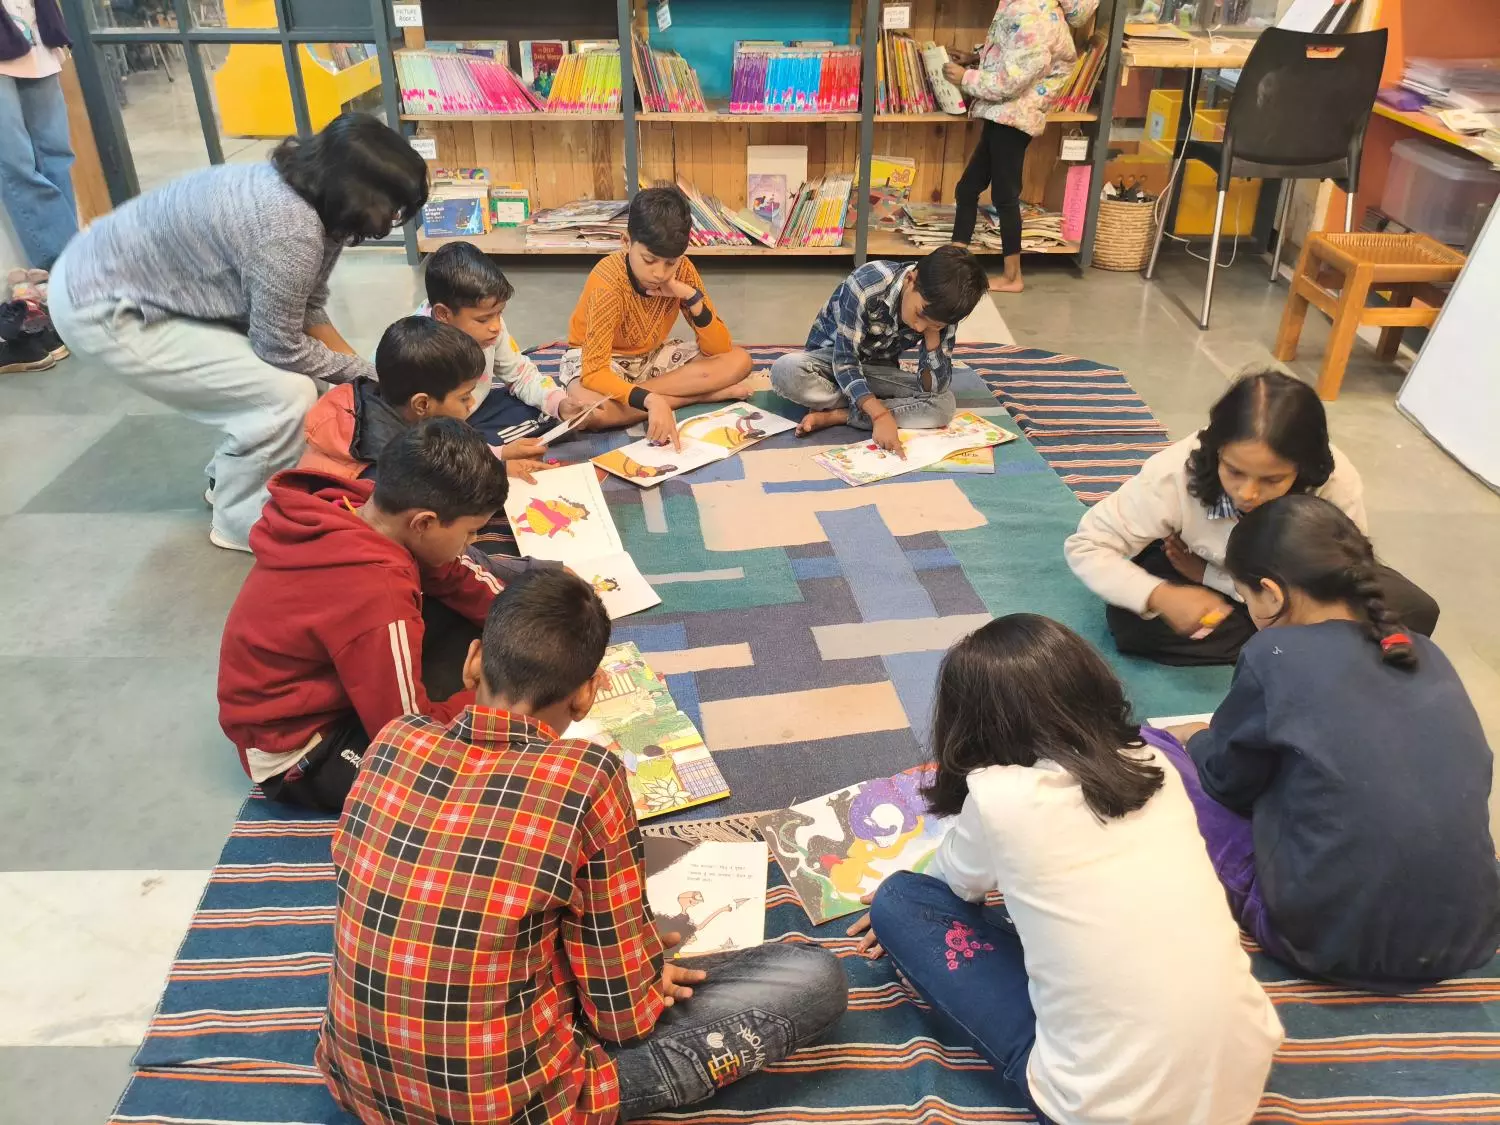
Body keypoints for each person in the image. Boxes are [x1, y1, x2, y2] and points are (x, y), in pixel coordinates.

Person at [317, 569, 848, 1124]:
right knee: (811, 977)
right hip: (511, 1109)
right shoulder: (588, 777)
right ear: (588, 694)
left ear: (474, 660)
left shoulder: (393, 741)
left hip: (356, 1083)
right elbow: (624, 1019)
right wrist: (642, 972)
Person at [848, 614, 1283, 1125]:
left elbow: (947, 889)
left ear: (970, 727)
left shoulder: (997, 796)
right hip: (1239, 1074)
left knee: (900, 900)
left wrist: (902, 910)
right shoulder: (1154, 763)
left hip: (1099, 1108)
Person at [1152, 495, 1500, 992]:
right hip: (1466, 936)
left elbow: (1227, 783)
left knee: (1158, 749)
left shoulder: (1273, 652)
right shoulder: (1423, 651)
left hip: (1324, 937)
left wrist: (1199, 739)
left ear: (1270, 594)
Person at [48, 112, 428, 552]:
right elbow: (279, 346)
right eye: (391, 206)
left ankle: (228, 477)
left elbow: (307, 306)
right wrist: (369, 376)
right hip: (103, 307)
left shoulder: (312, 194)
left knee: (300, 382)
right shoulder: (289, 230)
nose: (391, 218)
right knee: (283, 396)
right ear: (361, 193)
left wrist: (364, 374)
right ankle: (241, 519)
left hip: (125, 281)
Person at [218, 418, 507, 813]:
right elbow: (408, 738)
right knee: (448, 778)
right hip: (299, 751)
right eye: (471, 532)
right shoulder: (377, 593)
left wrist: (521, 618)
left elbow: (451, 573)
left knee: (485, 624)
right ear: (423, 523)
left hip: (328, 678)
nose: (472, 544)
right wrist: (490, 702)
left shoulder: (359, 505)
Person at [1064, 369, 1439, 665]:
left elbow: (1337, 583)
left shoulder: (1336, 482)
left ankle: (1273, 638)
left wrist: (1213, 577)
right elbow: (1087, 544)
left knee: (1413, 608)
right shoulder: (1175, 472)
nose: (1248, 494)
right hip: (1209, 575)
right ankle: (1282, 642)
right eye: (1234, 471)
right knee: (1132, 625)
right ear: (1215, 452)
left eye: (1273, 479)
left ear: (1303, 469)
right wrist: (1161, 595)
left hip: (1289, 586)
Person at [561, 185, 754, 447]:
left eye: (670, 263)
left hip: (651, 358)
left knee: (739, 360)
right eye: (649, 260)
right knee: (587, 411)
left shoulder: (682, 271)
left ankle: (651, 397)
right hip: (601, 360)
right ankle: (699, 396)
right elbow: (594, 372)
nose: (660, 274)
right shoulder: (607, 282)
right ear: (626, 242)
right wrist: (651, 400)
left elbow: (719, 348)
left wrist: (691, 297)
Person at [771, 246, 988, 457]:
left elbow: (934, 388)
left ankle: (841, 415)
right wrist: (880, 414)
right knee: (785, 370)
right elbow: (845, 362)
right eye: (920, 315)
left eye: (935, 324)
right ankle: (871, 405)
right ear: (911, 279)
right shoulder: (866, 284)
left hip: (878, 373)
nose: (919, 328)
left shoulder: (944, 313)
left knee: (944, 405)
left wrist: (934, 336)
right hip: (830, 365)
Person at [943, 0, 1098, 293]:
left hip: (1015, 115)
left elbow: (1013, 78)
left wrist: (967, 77)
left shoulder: (1032, 17)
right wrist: (974, 57)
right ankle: (953, 263)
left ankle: (1013, 276)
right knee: (967, 188)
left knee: (1005, 195)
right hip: (1003, 112)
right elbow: (1009, 49)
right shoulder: (1026, 7)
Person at [299, 315, 547, 483]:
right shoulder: (390, 465)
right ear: (422, 404)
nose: (472, 404)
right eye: (464, 398)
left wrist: (499, 459)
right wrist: (498, 474)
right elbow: (439, 485)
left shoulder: (379, 396)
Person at [414, 240, 587, 448]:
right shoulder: (419, 351)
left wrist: (558, 403)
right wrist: (499, 456)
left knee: (547, 413)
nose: (496, 326)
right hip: (438, 432)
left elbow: (520, 374)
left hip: (480, 411)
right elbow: (421, 427)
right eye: (483, 319)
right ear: (443, 314)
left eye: (499, 314)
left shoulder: (491, 327)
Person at [0, 0, 77, 270]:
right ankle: (65, 264)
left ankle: (73, 260)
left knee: (57, 157)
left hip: (36, 34)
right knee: (16, 165)